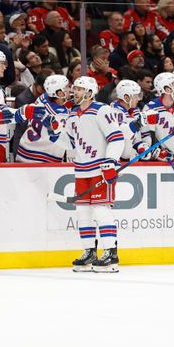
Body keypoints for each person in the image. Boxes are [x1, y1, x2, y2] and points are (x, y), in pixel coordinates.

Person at [65, 75, 124, 273]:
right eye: (75, 88)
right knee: (83, 212)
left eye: (80, 89)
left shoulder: (102, 110)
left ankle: (110, 253)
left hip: (100, 168)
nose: (75, 92)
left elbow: (116, 138)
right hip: (81, 169)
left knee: (100, 209)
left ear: (90, 93)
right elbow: (71, 142)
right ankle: (90, 251)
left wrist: (110, 162)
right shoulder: (72, 114)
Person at [16, 74, 71, 163]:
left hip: (24, 151)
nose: (70, 89)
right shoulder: (60, 115)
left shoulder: (43, 97)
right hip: (43, 158)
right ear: (60, 93)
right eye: (67, 87)